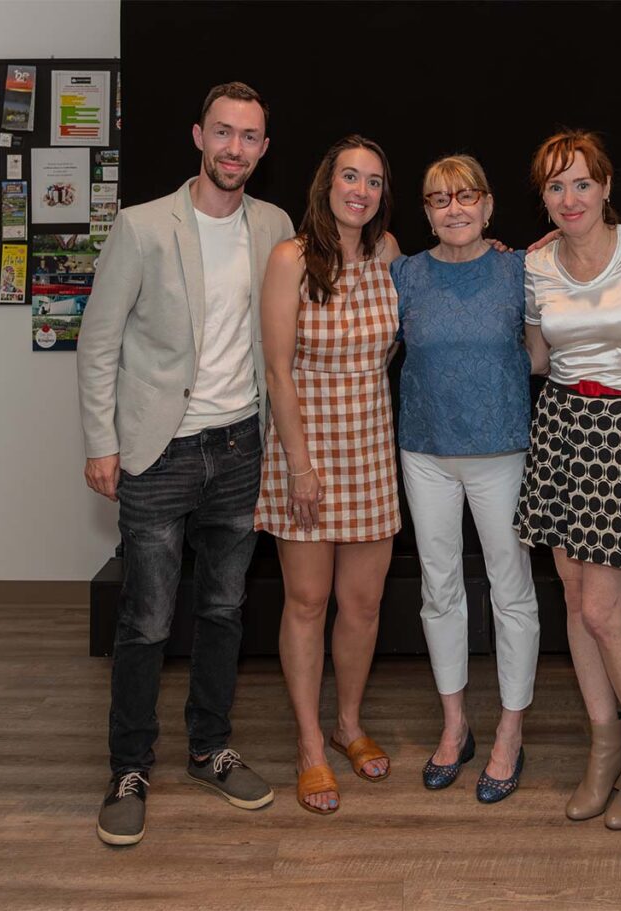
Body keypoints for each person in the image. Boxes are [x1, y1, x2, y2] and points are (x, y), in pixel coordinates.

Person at [78, 82, 295, 846]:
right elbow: (99, 340)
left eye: (251, 137)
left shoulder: (275, 225)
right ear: (199, 135)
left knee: (225, 610)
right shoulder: (141, 228)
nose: (235, 149)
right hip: (157, 452)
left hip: (240, 449)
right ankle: (129, 765)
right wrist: (100, 441)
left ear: (265, 149)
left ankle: (209, 746)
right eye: (224, 133)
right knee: (144, 618)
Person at [517, 130, 621, 830]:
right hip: (562, 429)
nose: (569, 197)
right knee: (575, 597)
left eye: (581, 182)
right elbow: (533, 358)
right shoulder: (534, 265)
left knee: (603, 611)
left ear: (607, 186)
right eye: (555, 186)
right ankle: (604, 745)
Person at [254, 136, 401, 814]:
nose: (360, 190)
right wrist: (300, 465)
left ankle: (348, 724)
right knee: (308, 602)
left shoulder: (387, 252)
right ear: (328, 181)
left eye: (372, 180)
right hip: (306, 446)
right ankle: (311, 742)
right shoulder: (289, 256)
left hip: (370, 443)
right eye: (350, 175)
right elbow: (277, 370)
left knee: (363, 605)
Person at [392, 154, 539, 803]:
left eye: (465, 196)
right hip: (424, 450)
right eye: (439, 199)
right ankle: (456, 725)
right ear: (425, 211)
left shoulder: (518, 269)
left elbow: (540, 353)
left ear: (487, 206)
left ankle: (511, 729)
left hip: (502, 450)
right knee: (439, 587)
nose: (453, 209)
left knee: (511, 591)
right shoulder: (405, 274)